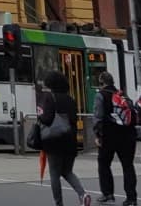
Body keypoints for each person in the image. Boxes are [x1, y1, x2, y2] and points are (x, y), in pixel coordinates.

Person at [36, 71, 92, 206]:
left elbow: (47, 119)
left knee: (55, 174)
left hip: (54, 142)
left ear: (51, 84)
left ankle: (59, 203)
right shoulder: (70, 99)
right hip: (70, 142)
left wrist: (40, 118)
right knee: (67, 171)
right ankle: (82, 194)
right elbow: (73, 120)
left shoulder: (50, 98)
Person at [93, 70, 139, 205]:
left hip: (109, 135)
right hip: (128, 135)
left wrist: (97, 135)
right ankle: (131, 198)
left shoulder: (100, 95)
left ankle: (108, 194)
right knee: (128, 166)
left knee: (104, 163)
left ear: (101, 83)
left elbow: (98, 117)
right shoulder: (123, 95)